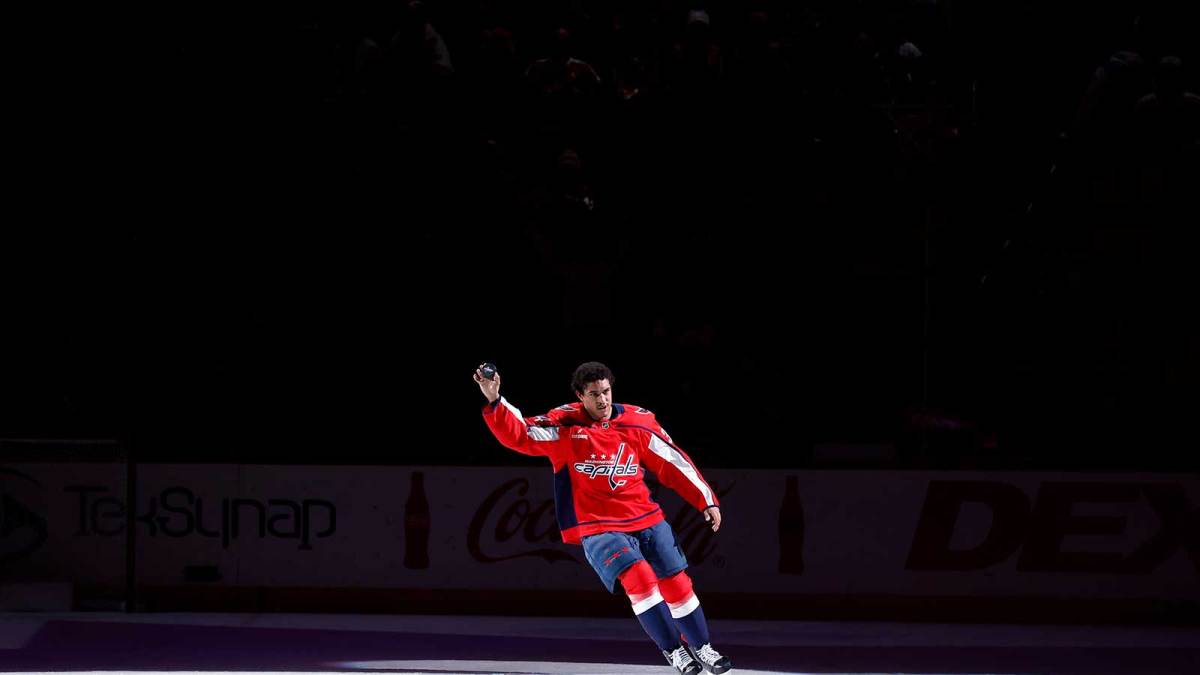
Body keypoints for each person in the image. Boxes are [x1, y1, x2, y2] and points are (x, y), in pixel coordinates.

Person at [474, 361, 733, 675]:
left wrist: (706, 500)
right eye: (594, 394)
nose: (602, 400)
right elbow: (521, 433)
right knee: (639, 579)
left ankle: (703, 647)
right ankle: (675, 650)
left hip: (646, 517)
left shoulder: (639, 421)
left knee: (678, 583)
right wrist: (495, 400)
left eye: (606, 392)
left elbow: (672, 461)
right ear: (580, 396)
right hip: (598, 526)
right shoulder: (564, 426)